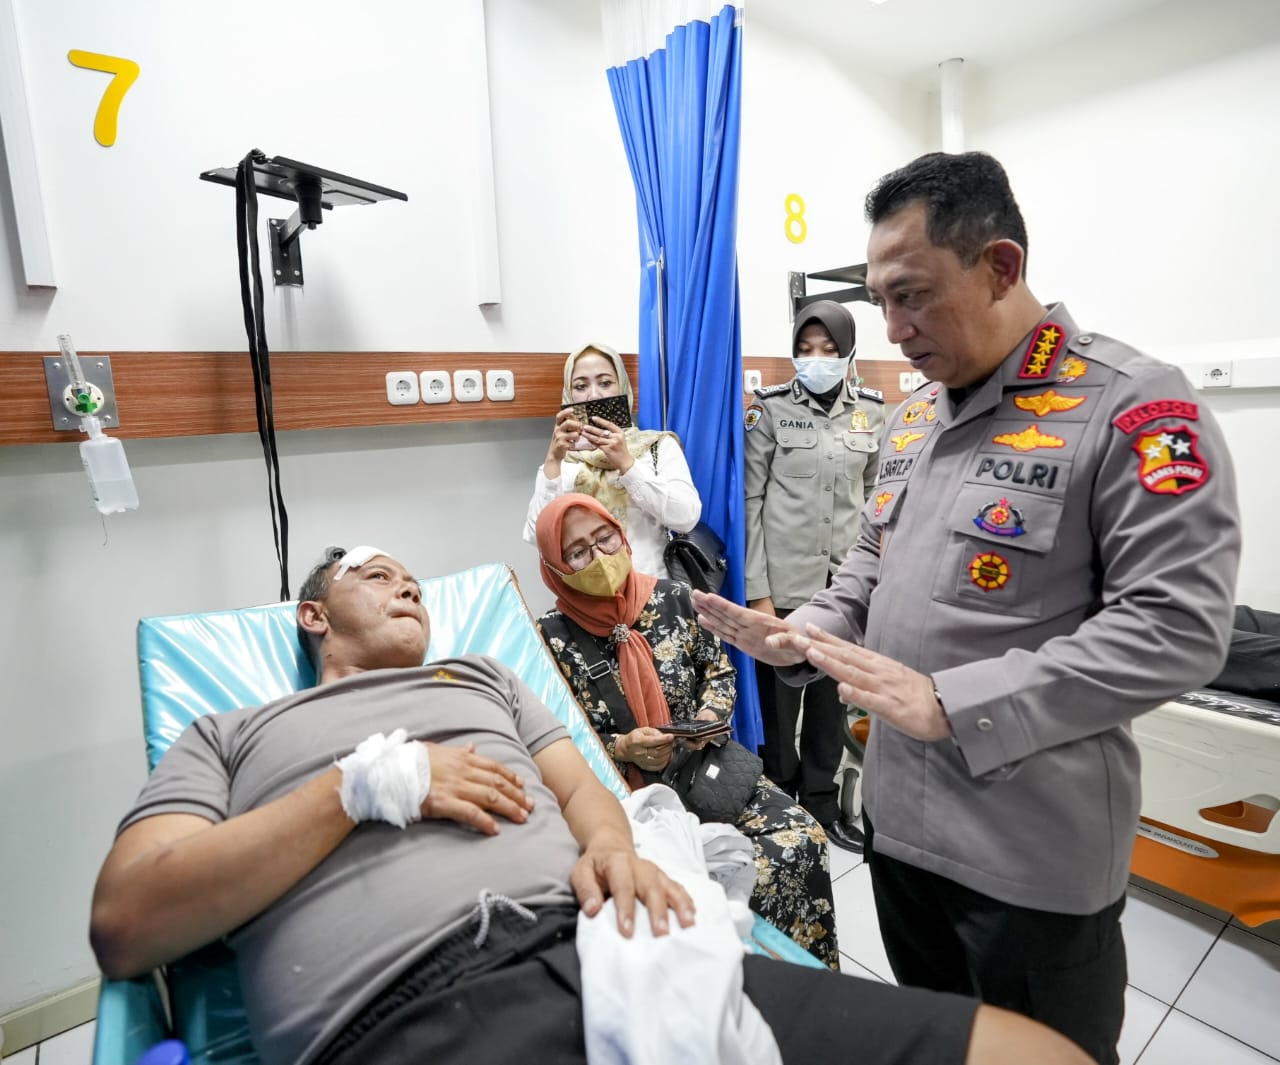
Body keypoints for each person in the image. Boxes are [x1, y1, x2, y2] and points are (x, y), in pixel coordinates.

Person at [90, 544, 1092, 1065]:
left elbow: (582, 789)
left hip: (607, 953)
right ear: (313, 613)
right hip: (400, 1011)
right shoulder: (231, 733)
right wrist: (357, 790)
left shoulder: (482, 678)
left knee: (1032, 1053)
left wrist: (614, 843)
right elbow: (128, 925)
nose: (408, 589)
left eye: (415, 581)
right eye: (376, 576)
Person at [692, 151, 1242, 1065]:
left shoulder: (1131, 406)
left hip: (1028, 858)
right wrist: (800, 634)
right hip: (901, 835)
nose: (894, 328)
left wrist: (954, 701)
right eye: (881, 301)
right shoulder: (913, 418)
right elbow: (869, 565)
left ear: (1001, 267)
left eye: (913, 295)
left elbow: (1177, 628)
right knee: (939, 1046)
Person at [534, 493, 839, 968]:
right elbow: (557, 739)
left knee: (803, 839)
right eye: (577, 552)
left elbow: (718, 672)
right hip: (624, 798)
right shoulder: (550, 639)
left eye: (605, 538)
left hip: (706, 768)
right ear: (555, 568)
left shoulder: (673, 598)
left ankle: (806, 980)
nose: (599, 557)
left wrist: (705, 720)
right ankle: (732, 982)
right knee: (695, 888)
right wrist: (623, 747)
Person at [744, 299, 884, 853]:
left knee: (831, 706)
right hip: (783, 592)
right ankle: (780, 803)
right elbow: (750, 502)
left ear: (848, 352)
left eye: (828, 349)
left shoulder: (871, 413)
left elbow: (875, 499)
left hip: (843, 592)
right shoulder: (770, 410)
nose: (816, 358)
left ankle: (823, 805)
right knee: (779, 714)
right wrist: (758, 594)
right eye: (805, 349)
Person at [523, 341, 701, 578]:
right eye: (581, 386)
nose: (594, 394)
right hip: (585, 593)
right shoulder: (563, 460)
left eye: (605, 383)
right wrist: (553, 461)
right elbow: (537, 538)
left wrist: (627, 464)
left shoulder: (656, 447)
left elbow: (686, 518)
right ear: (569, 394)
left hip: (651, 588)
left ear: (622, 388)